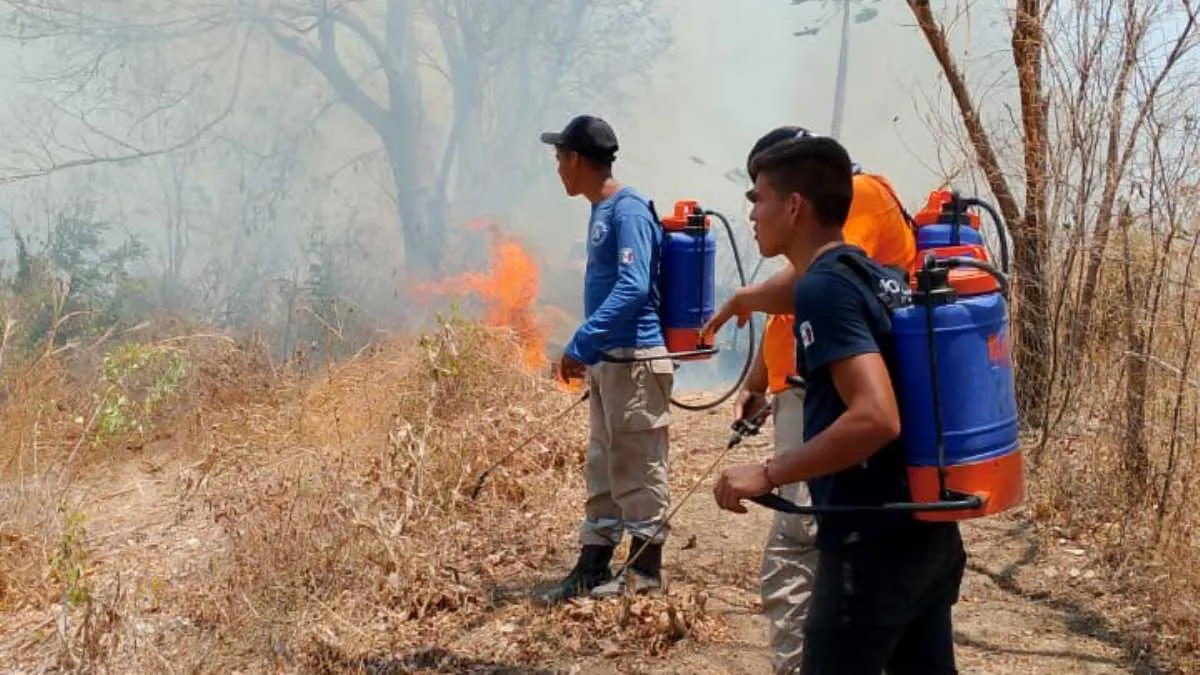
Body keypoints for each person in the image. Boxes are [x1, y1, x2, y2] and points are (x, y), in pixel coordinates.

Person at [711, 133, 966, 674]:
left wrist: (768, 472)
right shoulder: (879, 276)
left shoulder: (826, 289)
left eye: (758, 197)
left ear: (794, 206)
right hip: (927, 540)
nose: (752, 212)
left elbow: (875, 416)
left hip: (867, 554)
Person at [535, 114, 675, 604]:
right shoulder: (601, 211)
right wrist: (591, 349)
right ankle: (593, 565)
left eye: (559, 159)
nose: (557, 169)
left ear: (576, 159)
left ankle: (644, 573)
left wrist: (582, 341)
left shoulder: (628, 210)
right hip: (611, 362)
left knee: (639, 463)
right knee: (604, 463)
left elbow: (635, 288)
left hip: (635, 360)